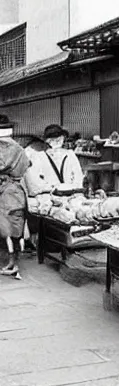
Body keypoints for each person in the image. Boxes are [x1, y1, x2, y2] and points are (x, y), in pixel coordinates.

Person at [0, 115, 30, 278]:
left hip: (5, 194)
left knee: (6, 230)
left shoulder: (2, 147)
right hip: (17, 193)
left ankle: (12, 264)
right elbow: (26, 167)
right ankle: (14, 262)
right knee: (15, 229)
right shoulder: (19, 148)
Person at [24, 124, 84, 195]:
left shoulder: (70, 155)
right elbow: (33, 185)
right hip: (54, 198)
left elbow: (78, 178)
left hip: (64, 197)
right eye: (54, 139)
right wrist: (59, 187)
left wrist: (58, 187)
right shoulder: (38, 156)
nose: (57, 141)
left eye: (58, 139)